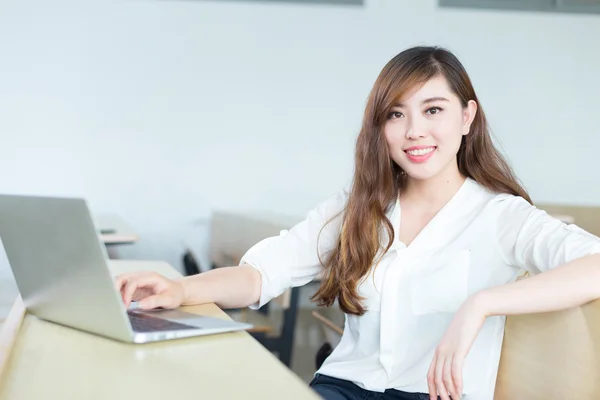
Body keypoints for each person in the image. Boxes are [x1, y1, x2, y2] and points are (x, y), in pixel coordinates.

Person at [115, 46, 600, 400]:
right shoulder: (357, 208)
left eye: (433, 110)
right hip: (342, 388)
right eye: (396, 114)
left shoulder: (500, 216)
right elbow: (263, 273)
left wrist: (483, 303)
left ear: (468, 117)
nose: (414, 131)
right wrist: (180, 291)